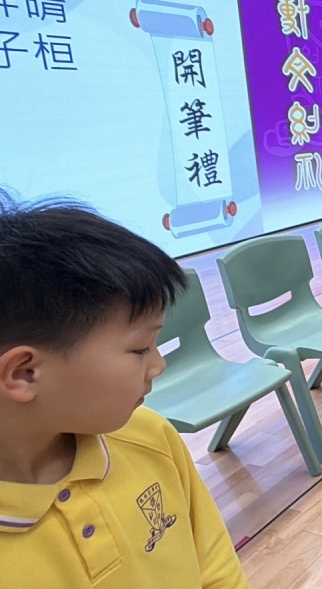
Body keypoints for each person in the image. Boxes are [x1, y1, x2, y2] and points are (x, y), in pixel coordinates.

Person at [0, 192, 248, 588]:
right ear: (25, 373)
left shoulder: (149, 435)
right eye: (140, 348)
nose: (158, 365)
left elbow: (215, 564)